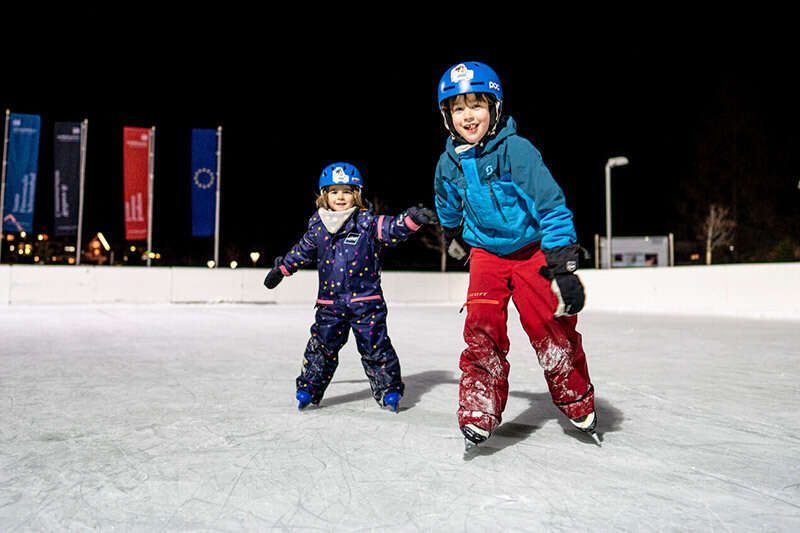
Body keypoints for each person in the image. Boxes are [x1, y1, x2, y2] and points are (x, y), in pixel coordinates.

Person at [434, 61, 597, 450]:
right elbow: (447, 205)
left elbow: (551, 205)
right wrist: (451, 234)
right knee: (482, 326)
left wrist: (563, 265)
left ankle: (575, 396)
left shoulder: (516, 151)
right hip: (486, 255)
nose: (468, 116)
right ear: (447, 116)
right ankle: (479, 406)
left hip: (530, 250)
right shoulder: (448, 164)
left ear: (495, 108)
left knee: (550, 325)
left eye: (477, 105)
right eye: (458, 108)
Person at [263, 162, 436, 413]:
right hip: (330, 304)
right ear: (324, 196)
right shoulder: (318, 228)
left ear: (356, 194)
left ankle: (388, 389)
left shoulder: (367, 223)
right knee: (321, 348)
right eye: (334, 192)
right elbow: (300, 252)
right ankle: (309, 387)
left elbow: (391, 228)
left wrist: (410, 219)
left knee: (375, 347)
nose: (340, 197)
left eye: (346, 191)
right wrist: (281, 269)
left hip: (366, 302)